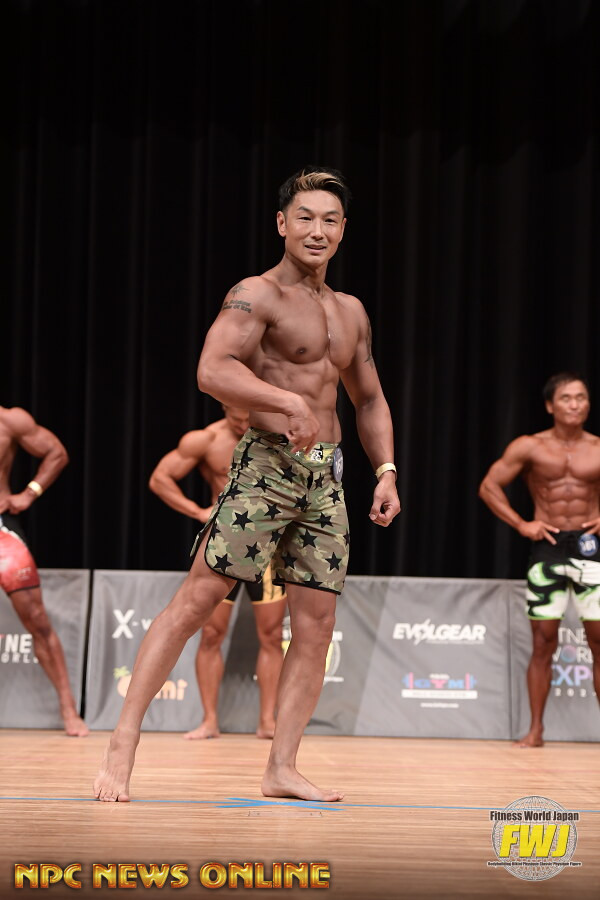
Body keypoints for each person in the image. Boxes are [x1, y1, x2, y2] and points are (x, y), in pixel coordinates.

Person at [94, 165, 400, 803]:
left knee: (315, 625)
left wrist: (386, 471)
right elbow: (212, 369)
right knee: (197, 601)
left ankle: (281, 767)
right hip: (265, 466)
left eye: (330, 220)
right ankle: (124, 738)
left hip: (327, 479)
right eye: (305, 218)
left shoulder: (350, 311)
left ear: (344, 230)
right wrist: (284, 402)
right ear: (282, 224)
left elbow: (369, 398)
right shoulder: (256, 294)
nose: (317, 230)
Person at [148, 406, 286, 739]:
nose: (243, 425)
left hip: (268, 544)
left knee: (271, 635)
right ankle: (209, 720)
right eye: (237, 418)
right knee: (210, 634)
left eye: (248, 418)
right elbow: (159, 478)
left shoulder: (277, 436)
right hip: (224, 543)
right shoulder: (206, 440)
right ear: (225, 406)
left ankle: (268, 721)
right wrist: (197, 511)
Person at [479, 373, 600, 748]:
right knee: (543, 642)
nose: (575, 404)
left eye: (581, 397)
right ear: (550, 405)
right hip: (548, 548)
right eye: (566, 398)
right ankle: (536, 730)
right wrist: (521, 524)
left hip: (591, 548)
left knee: (599, 642)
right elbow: (489, 486)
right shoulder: (530, 446)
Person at [0, 405, 88, 736]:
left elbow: (56, 453)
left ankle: (68, 709)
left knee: (37, 619)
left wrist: (29, 493)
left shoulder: (9, 420)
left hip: (2, 531)